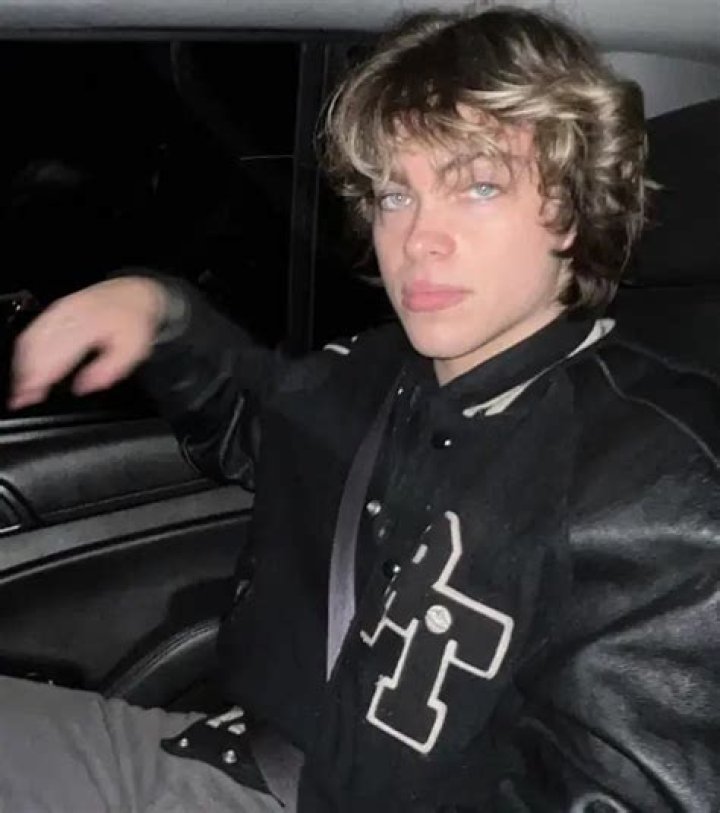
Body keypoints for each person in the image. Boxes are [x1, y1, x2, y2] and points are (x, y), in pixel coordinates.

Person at [4, 6, 719, 813]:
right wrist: (159, 310)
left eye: (479, 186)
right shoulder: (379, 372)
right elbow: (255, 422)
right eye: (395, 194)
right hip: (231, 760)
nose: (418, 238)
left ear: (575, 209)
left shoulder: (659, 481)